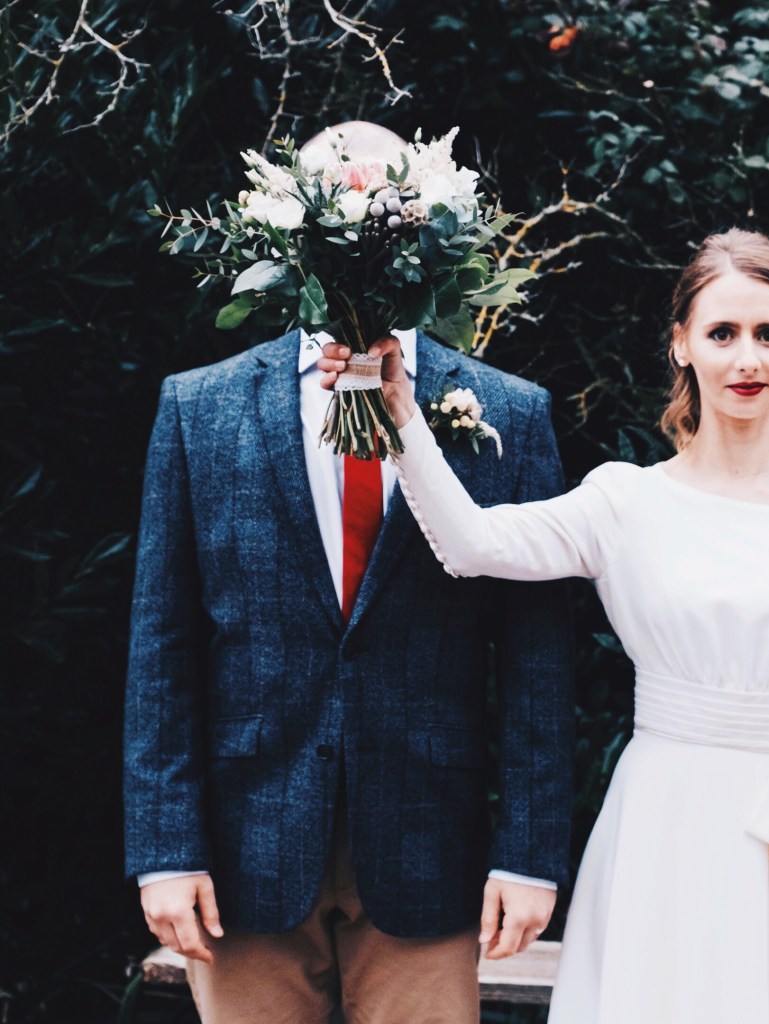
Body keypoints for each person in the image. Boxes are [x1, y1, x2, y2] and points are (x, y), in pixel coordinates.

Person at [318, 228, 769, 1023]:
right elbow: (472, 544)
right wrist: (401, 414)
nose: (746, 360)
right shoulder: (625, 502)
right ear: (682, 346)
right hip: (671, 826)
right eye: (722, 334)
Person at [124, 121, 574, 1024]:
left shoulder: (509, 416)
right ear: (290, 236)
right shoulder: (197, 410)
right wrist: (165, 848)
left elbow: (537, 658)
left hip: (427, 851)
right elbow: (162, 643)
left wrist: (529, 853)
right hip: (245, 850)